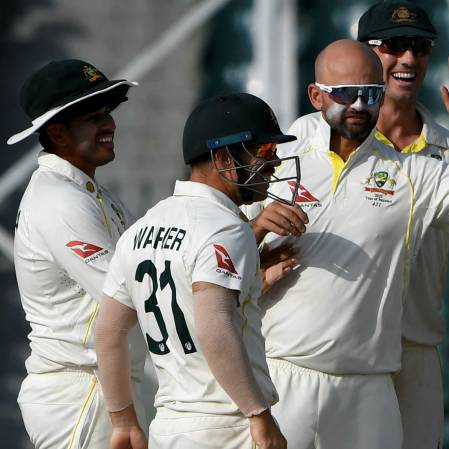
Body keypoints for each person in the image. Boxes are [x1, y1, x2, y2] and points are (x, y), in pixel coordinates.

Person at [241, 39, 449, 449]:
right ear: (316, 96)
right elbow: (218, 262)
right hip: (281, 378)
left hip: (369, 390)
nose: (359, 104)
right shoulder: (281, 158)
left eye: (371, 94)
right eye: (346, 94)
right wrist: (255, 234)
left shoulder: (416, 173)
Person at [94, 93, 299, 449]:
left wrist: (122, 420)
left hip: (170, 426)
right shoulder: (226, 228)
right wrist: (259, 415)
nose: (275, 163)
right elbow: (214, 326)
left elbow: (108, 331)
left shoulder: (142, 228)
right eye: (263, 151)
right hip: (226, 426)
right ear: (222, 158)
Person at [7, 59, 146, 449]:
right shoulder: (59, 202)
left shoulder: (92, 195)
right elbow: (129, 295)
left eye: (108, 113)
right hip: (79, 393)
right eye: (92, 117)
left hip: (102, 386)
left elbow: (153, 267)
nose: (109, 125)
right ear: (57, 133)